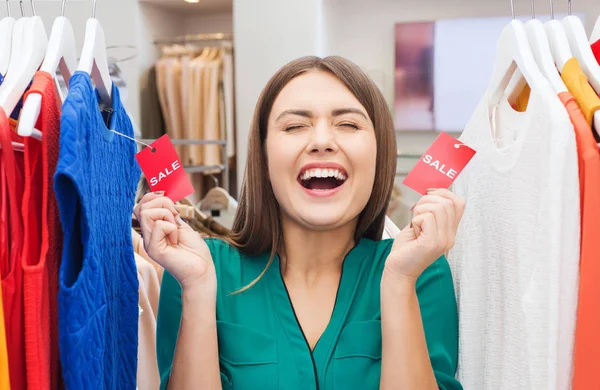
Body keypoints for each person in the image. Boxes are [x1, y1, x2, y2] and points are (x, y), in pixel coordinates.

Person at [135, 56, 465, 390]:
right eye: (294, 126)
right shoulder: (197, 270)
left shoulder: (421, 271)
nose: (322, 141)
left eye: (348, 125)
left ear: (380, 155)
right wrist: (197, 288)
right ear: (263, 158)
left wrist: (399, 283)